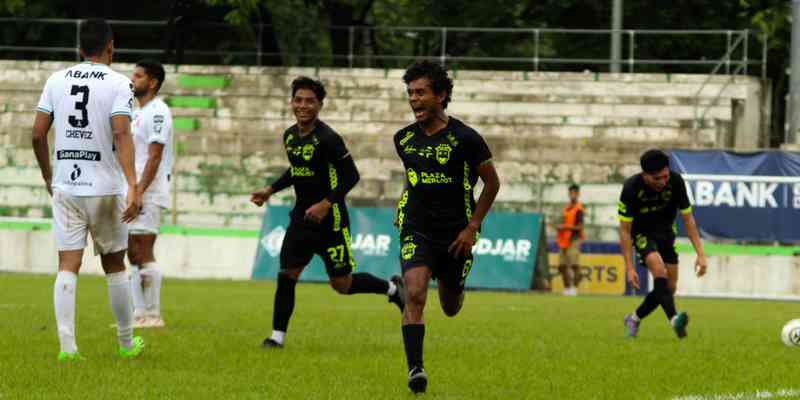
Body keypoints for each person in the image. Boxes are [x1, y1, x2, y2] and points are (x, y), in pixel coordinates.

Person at [250, 76, 405, 349]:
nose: (303, 105)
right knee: (287, 274)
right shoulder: (289, 136)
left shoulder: (329, 138)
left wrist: (326, 203)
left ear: (320, 105)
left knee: (341, 285)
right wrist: (270, 189)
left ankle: (392, 289)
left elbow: (351, 175)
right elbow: (297, 171)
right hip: (301, 219)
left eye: (310, 101)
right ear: (291, 103)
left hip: (331, 222)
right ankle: (276, 337)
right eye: (298, 100)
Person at [31, 18, 145, 360]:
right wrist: (133, 185)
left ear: (80, 48)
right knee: (114, 264)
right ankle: (126, 345)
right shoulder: (119, 84)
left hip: (66, 184)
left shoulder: (55, 79)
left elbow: (37, 134)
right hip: (104, 187)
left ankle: (68, 349)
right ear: (111, 46)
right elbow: (122, 133)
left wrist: (48, 176)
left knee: (67, 264)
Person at [394, 60, 500, 394]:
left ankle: (454, 283)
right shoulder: (403, 139)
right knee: (414, 293)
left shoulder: (466, 139)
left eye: (420, 92)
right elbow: (414, 178)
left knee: (450, 306)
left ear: (440, 95)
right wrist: (402, 204)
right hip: (417, 228)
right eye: (410, 93)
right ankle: (416, 370)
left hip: (457, 233)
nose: (414, 99)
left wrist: (472, 226)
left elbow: (492, 184)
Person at [618, 149, 707, 339]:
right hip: (642, 234)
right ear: (645, 175)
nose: (662, 182)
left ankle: (634, 318)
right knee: (659, 271)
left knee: (669, 288)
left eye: (665, 176)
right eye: (657, 178)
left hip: (666, 234)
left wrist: (700, 254)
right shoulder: (631, 188)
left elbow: (688, 219)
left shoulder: (675, 182)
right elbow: (625, 230)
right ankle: (674, 319)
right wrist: (629, 267)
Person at [127, 59, 173, 328]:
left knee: (143, 250)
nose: (132, 80)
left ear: (152, 82)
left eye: (138, 75)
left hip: (149, 190)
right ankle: (139, 314)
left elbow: (154, 156)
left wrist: (140, 191)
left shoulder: (158, 112)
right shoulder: (136, 112)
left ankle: (153, 315)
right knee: (131, 251)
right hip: (134, 189)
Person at [556, 184, 584, 296]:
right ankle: (567, 287)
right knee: (561, 266)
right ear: (569, 194)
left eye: (574, 193)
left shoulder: (579, 210)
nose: (572, 195)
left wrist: (565, 227)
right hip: (564, 240)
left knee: (573, 265)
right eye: (571, 193)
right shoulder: (566, 208)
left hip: (574, 240)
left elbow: (580, 227)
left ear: (578, 194)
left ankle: (573, 287)